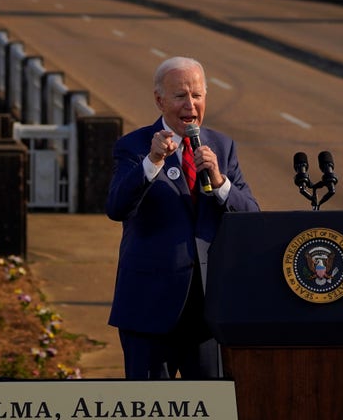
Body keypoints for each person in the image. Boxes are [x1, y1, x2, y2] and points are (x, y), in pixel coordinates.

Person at [105, 56, 260, 379]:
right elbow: (117, 207)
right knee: (149, 415)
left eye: (197, 95)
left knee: (208, 414)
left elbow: (251, 217)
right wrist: (152, 163)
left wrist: (220, 182)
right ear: (160, 100)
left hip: (205, 315)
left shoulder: (222, 146)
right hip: (148, 310)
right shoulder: (133, 147)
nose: (190, 104)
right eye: (180, 96)